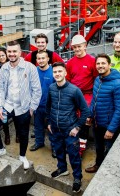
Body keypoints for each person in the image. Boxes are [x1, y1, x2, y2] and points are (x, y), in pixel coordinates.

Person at [0, 41, 41, 170]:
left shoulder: (30, 68)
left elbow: (37, 90)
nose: (11, 54)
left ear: (20, 52)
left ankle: (23, 156)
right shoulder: (4, 68)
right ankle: (0, 148)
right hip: (7, 106)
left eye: (14, 51)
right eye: (9, 52)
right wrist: (0, 107)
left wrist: (32, 107)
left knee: (23, 134)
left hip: (23, 107)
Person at [46, 62, 89, 193]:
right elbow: (48, 106)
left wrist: (76, 128)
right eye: (55, 72)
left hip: (70, 130)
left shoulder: (74, 90)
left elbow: (85, 111)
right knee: (58, 151)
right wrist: (49, 122)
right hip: (55, 128)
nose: (57, 74)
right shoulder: (51, 88)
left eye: (60, 71)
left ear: (65, 73)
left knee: (74, 155)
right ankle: (62, 169)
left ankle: (77, 178)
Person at [85, 54, 120, 173]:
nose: (100, 66)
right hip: (97, 123)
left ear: (109, 65)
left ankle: (110, 172)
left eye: (103, 63)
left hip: (109, 125)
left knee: (110, 150)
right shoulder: (98, 79)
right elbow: (94, 99)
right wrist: (90, 115)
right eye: (98, 63)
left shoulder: (119, 85)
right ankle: (98, 165)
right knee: (98, 148)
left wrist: (111, 129)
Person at [66, 34, 98, 157]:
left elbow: (96, 80)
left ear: (85, 46)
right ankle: (73, 143)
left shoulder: (91, 61)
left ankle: (81, 147)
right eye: (74, 47)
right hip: (73, 95)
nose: (77, 49)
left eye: (79, 46)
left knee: (85, 120)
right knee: (72, 118)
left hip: (87, 95)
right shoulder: (70, 63)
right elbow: (68, 80)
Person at [29, 51, 56, 157]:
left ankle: (54, 147)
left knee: (51, 128)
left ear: (48, 59)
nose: (41, 60)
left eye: (43, 58)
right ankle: (39, 143)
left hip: (50, 107)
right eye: (38, 58)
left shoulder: (53, 72)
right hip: (37, 105)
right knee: (38, 126)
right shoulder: (34, 71)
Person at [0, 47, 19, 145]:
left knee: (16, 117)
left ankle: (18, 134)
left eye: (3, 55)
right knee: (4, 118)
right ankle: (7, 135)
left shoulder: (12, 65)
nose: (1, 57)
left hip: (13, 96)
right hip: (2, 97)